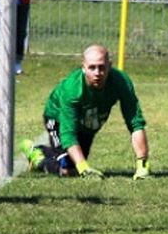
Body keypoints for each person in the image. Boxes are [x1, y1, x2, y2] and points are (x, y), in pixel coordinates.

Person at [20, 44, 151, 180]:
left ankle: (46, 152)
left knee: (76, 163)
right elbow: (68, 134)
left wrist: (143, 166)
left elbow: (135, 122)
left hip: (88, 123)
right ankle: (37, 156)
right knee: (69, 169)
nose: (97, 73)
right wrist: (83, 167)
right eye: (92, 67)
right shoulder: (72, 89)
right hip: (57, 117)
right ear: (83, 67)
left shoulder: (121, 82)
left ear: (109, 66)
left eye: (101, 67)